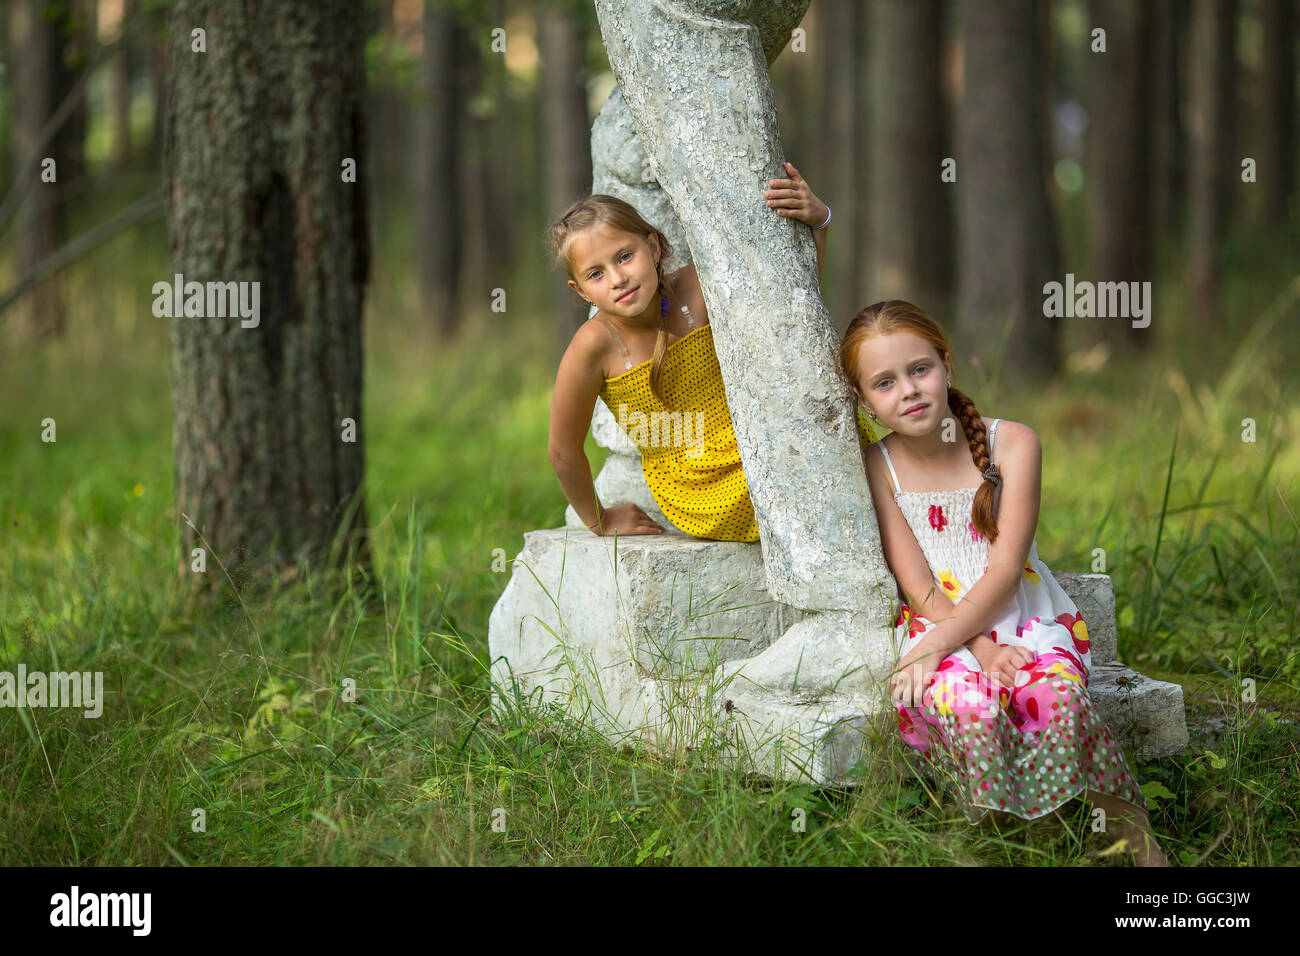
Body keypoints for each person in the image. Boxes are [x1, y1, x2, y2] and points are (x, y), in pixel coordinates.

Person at [839, 299, 1169, 867]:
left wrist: (972, 644)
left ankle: (1140, 847)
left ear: (947, 363)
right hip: (939, 622)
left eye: (920, 369)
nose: (910, 391)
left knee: (1057, 699)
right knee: (968, 704)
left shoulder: (1013, 443)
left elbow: (1004, 570)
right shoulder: (878, 466)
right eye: (885, 383)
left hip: (1027, 620)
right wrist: (973, 647)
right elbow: (917, 583)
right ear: (862, 399)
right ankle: (985, 841)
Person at [547, 162, 876, 540]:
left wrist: (819, 224)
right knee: (820, 477)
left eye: (624, 256)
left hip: (756, 444)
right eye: (596, 274)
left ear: (652, 246)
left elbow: (791, 317)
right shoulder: (594, 345)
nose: (618, 278)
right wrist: (598, 519)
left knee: (851, 444)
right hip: (701, 485)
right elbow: (563, 450)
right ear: (581, 291)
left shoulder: (698, 288)